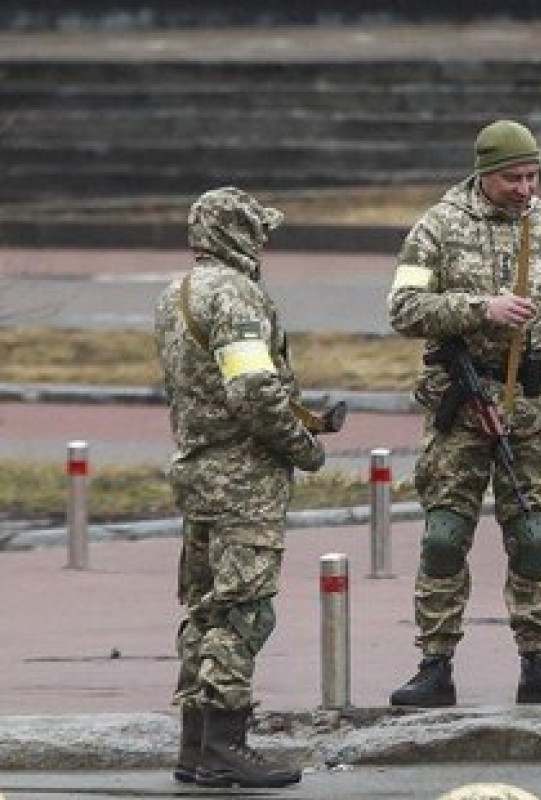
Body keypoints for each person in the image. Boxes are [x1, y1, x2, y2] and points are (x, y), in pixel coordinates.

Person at [386, 119, 541, 707]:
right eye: (511, 178)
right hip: (462, 407)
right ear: (483, 174)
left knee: (533, 535)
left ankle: (540, 663)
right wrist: (481, 308)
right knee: (446, 536)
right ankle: (434, 664)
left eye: (531, 175)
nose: (525, 188)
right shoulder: (438, 228)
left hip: (531, 409)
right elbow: (403, 306)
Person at [154, 187, 324, 789]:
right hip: (243, 479)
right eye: (259, 232)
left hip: (198, 471)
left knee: (203, 609)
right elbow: (252, 391)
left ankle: (196, 746)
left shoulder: (176, 293)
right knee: (244, 611)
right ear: (236, 234)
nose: (265, 243)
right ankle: (227, 747)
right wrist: (303, 446)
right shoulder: (238, 296)